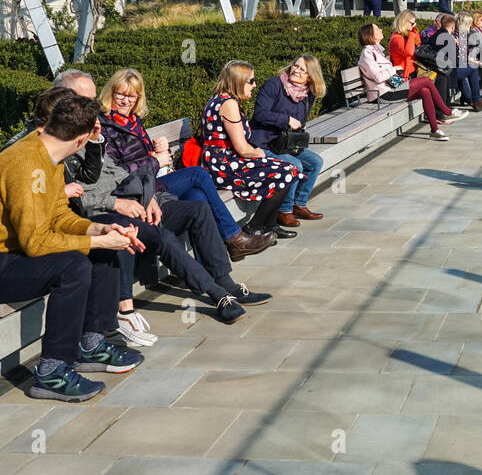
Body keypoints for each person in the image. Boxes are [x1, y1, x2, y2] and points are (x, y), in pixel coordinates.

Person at [0, 93, 144, 403]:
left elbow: (60, 215)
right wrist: (95, 240)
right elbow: (36, 243)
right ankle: (51, 372)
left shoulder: (48, 156)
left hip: (7, 257)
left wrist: (99, 230)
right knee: (74, 266)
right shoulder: (26, 163)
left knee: (102, 249)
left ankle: (90, 344)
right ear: (81, 140)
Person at [45, 75, 270, 332]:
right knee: (177, 207)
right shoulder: (73, 137)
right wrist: (139, 179)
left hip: (139, 195)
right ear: (63, 100)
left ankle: (223, 281)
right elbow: (86, 191)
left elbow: (115, 176)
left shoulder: (93, 132)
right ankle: (217, 287)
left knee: (197, 204)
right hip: (103, 214)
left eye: (132, 96)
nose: (94, 106)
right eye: (86, 100)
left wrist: (148, 194)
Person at [98, 68, 279, 252]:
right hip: (137, 189)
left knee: (198, 200)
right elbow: (117, 171)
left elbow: (139, 156)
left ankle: (216, 275)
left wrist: (156, 149)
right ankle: (235, 238)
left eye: (132, 96)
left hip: (149, 182)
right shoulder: (104, 125)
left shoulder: (132, 120)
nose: (126, 101)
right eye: (121, 94)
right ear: (110, 92)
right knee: (198, 175)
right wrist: (155, 161)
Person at [198, 60, 302, 234]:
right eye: (251, 81)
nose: (254, 85)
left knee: (286, 170)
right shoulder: (228, 104)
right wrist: (260, 154)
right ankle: (254, 227)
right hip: (223, 165)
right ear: (239, 81)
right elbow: (242, 148)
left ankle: (269, 226)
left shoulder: (219, 99)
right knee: (287, 172)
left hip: (220, 160)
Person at [249, 54, 328, 230]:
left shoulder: (308, 94)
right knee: (295, 165)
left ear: (311, 76)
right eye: (295, 65)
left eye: (302, 69)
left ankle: (298, 205)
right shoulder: (274, 85)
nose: (296, 70)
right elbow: (260, 114)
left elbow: (300, 122)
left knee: (315, 162)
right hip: (264, 144)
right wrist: (285, 120)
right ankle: (283, 211)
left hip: (285, 143)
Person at [357, 22, 464, 139]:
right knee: (426, 80)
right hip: (383, 94)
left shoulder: (376, 51)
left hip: (391, 89)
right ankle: (447, 112)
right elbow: (377, 77)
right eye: (377, 29)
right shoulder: (367, 54)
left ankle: (435, 131)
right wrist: (393, 69)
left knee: (425, 91)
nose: (381, 30)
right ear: (369, 35)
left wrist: (394, 70)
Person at [435, 13, 482, 111]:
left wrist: (470, 60)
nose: (471, 26)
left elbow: (462, 56)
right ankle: (476, 100)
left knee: (470, 69)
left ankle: (472, 100)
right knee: (472, 69)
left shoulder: (459, 35)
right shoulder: (454, 35)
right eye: (469, 24)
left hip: (452, 67)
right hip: (447, 70)